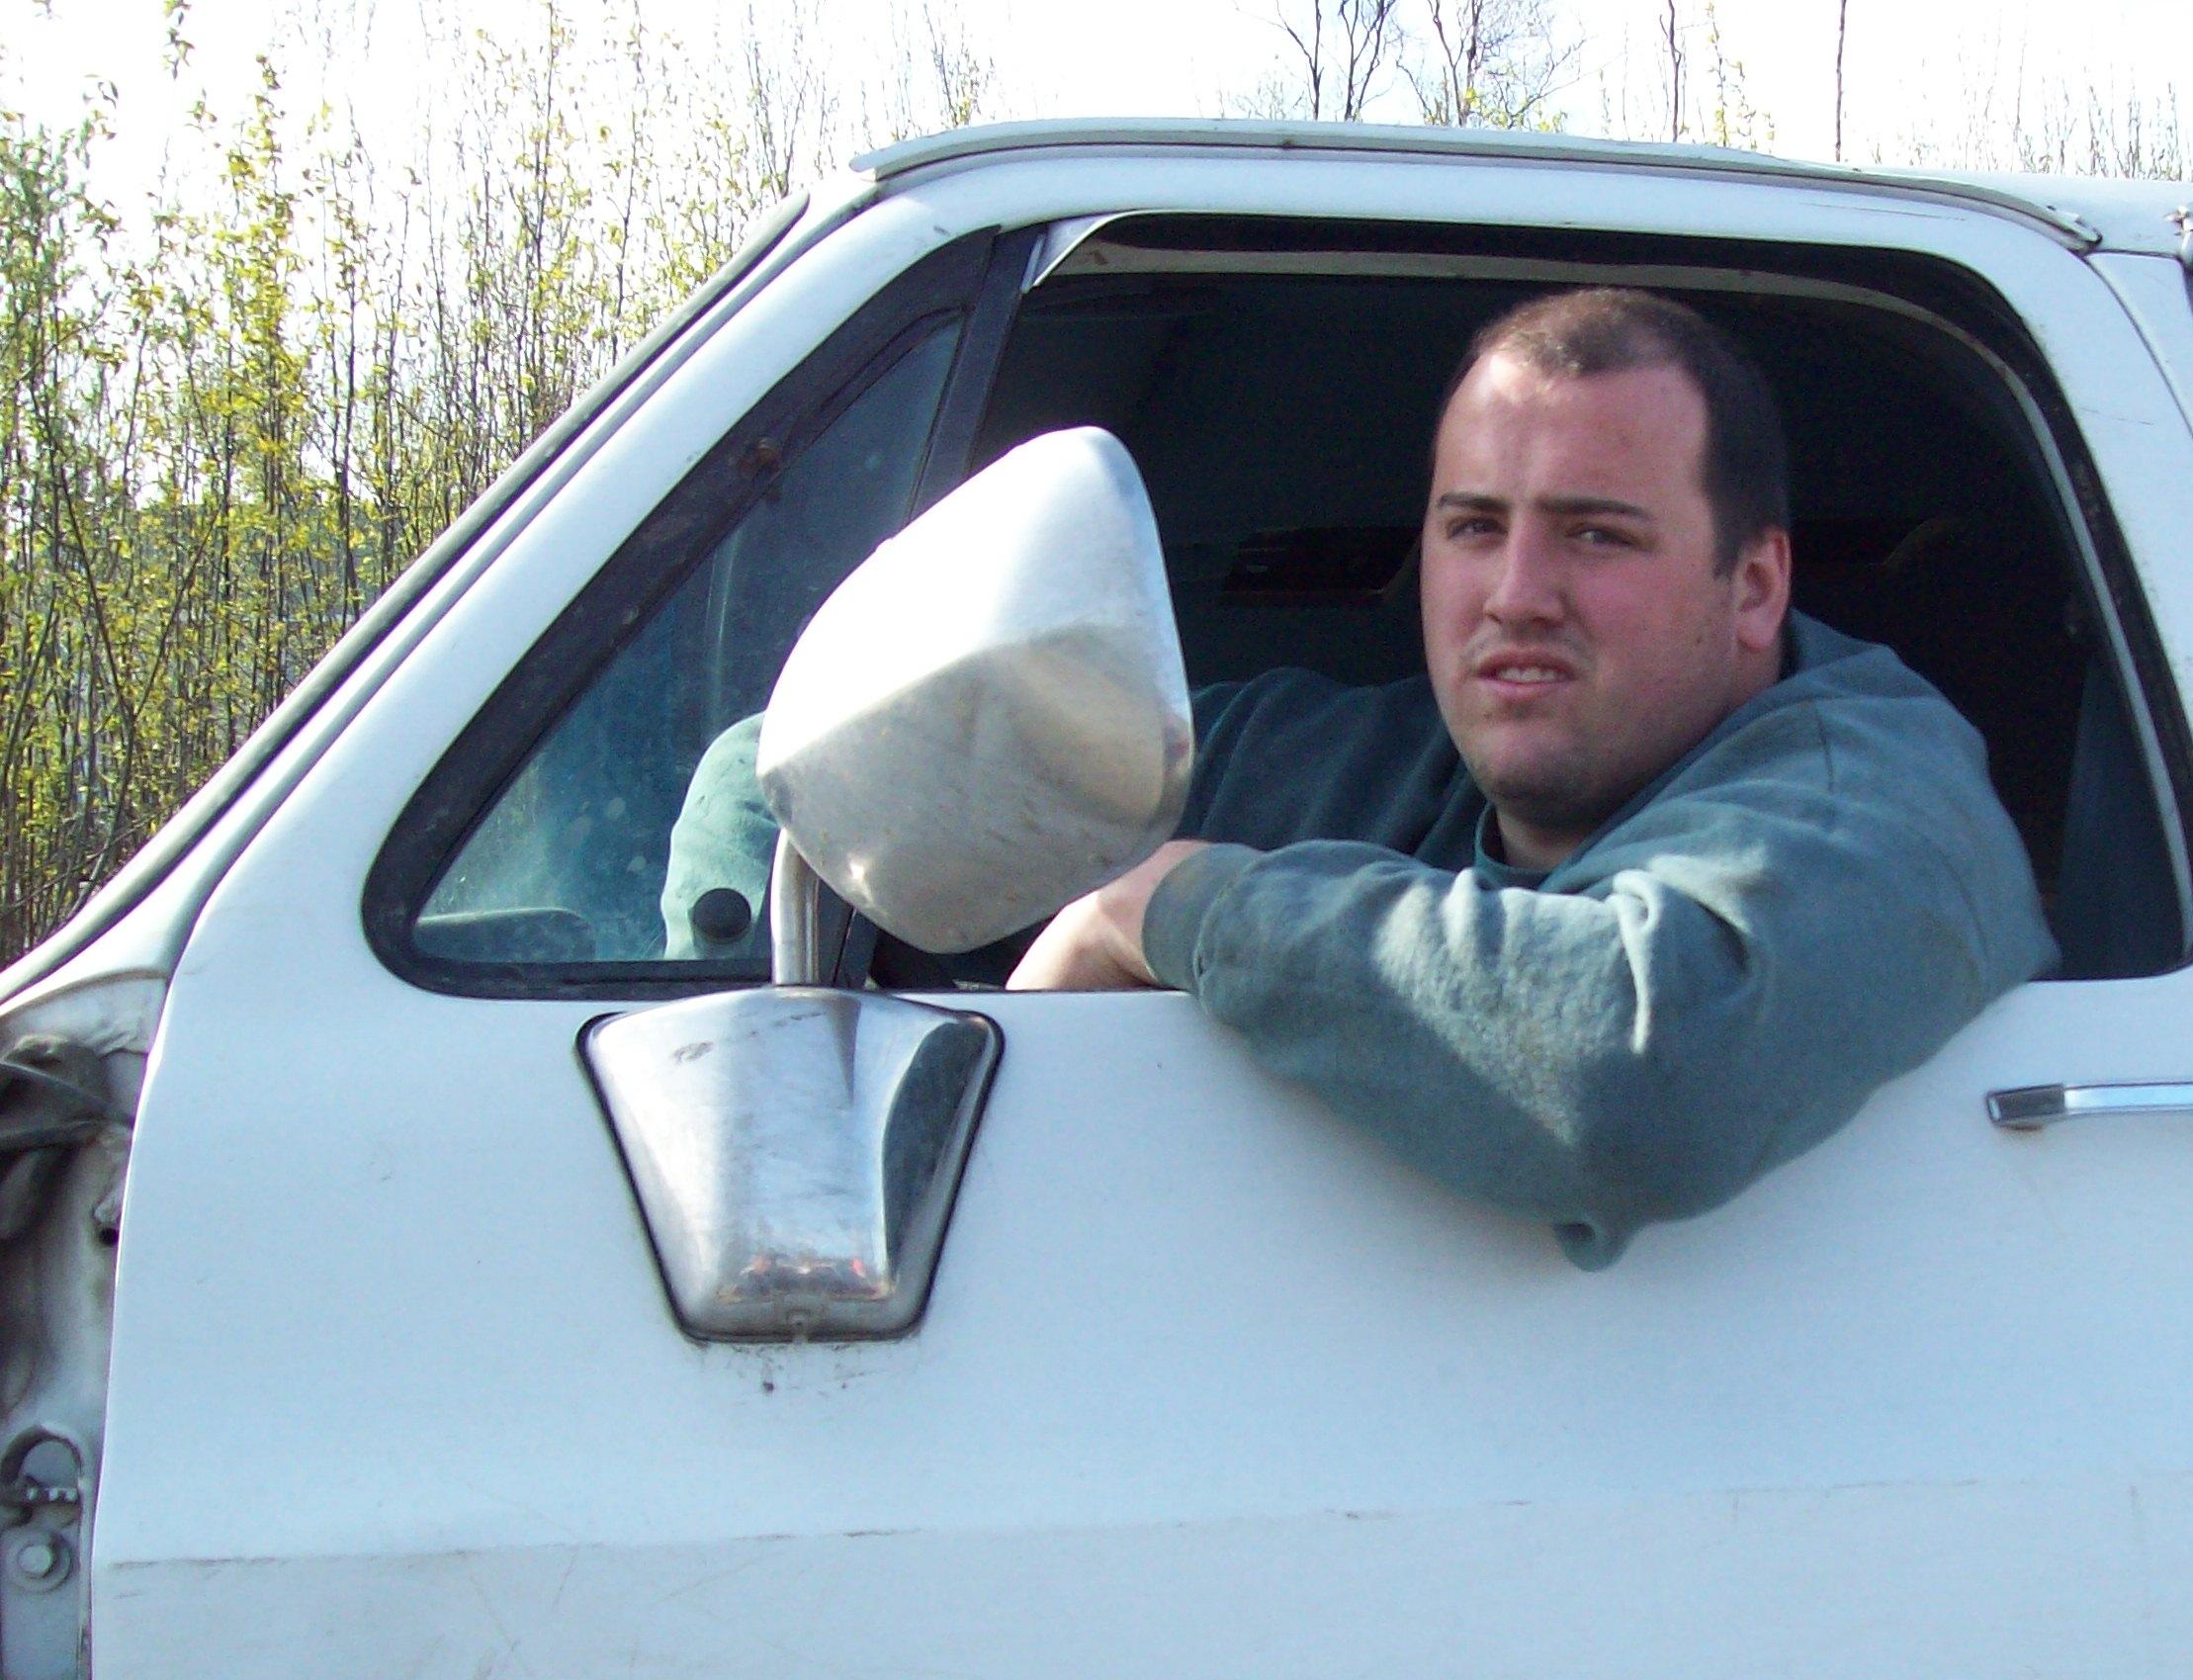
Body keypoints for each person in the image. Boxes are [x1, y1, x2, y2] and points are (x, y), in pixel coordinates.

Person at [674, 287, 2056, 1266]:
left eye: (1597, 535)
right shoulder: (1383, 758)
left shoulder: (1879, 803)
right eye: (1474, 526)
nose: (1517, 594)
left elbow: (1637, 1070)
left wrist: (1157, 907)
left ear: (1753, 588)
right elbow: (778, 769)